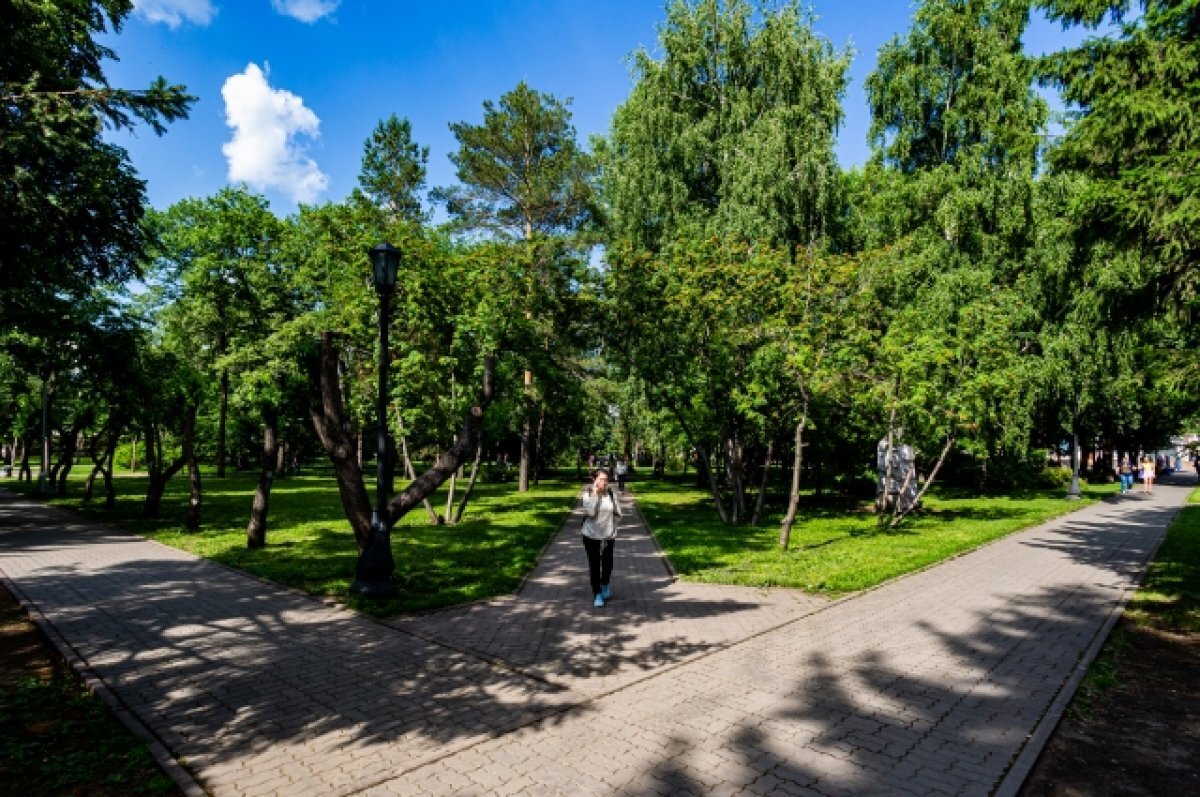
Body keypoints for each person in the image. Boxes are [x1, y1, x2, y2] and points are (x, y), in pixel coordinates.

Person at [580, 469, 622, 607]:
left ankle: (605, 584)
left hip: (608, 536)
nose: (603, 482)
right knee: (594, 565)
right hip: (591, 535)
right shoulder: (587, 495)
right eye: (601, 479)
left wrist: (613, 527)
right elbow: (590, 513)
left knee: (608, 564)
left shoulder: (611, 494)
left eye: (606, 480)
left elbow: (618, 513)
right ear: (594, 480)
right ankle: (597, 593)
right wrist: (595, 495)